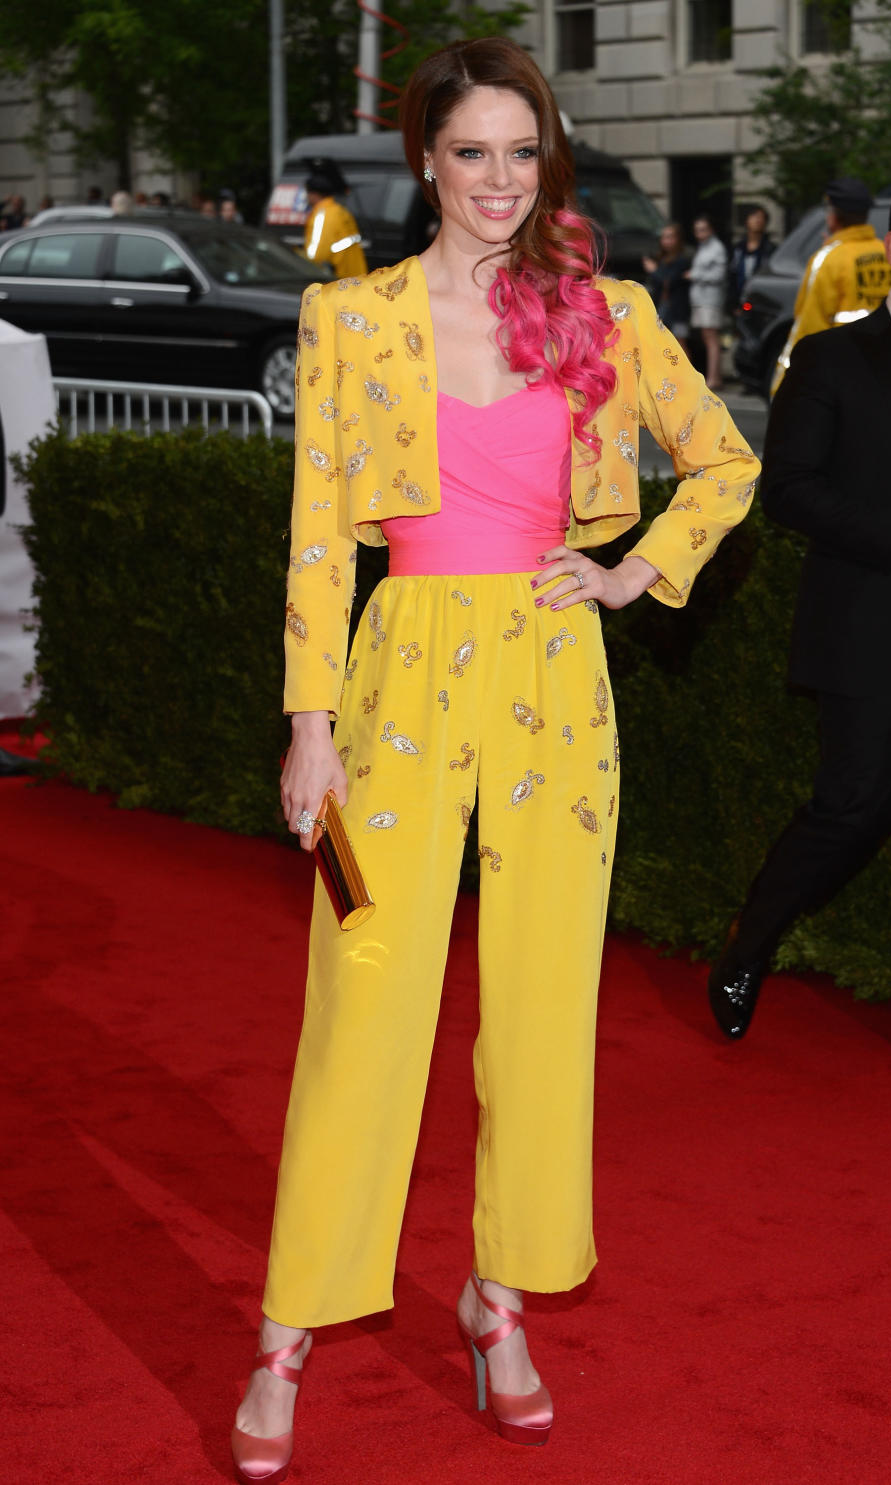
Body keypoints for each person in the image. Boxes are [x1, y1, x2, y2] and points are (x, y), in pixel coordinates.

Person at [230, 37, 759, 1483]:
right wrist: (310, 720)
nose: (498, 180)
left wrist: (631, 573)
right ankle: (287, 1329)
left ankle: (499, 1300)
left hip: (553, 686)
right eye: (472, 151)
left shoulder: (604, 313)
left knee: (538, 1006)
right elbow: (321, 535)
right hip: (395, 681)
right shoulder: (353, 321)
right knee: (366, 995)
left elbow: (726, 462)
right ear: (425, 161)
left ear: (547, 166)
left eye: (523, 154)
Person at [707, 170, 891, 1066]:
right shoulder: (831, 359)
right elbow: (788, 492)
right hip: (873, 624)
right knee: (851, 811)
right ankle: (749, 939)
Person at [770, 177, 891, 397]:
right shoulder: (888, 254)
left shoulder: (828, 260)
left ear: (833, 217)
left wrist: (781, 388)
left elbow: (807, 331)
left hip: (843, 379)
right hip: (887, 377)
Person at [301, 162, 367, 278]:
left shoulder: (322, 215)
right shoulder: (340, 211)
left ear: (314, 194)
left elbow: (315, 256)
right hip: (355, 278)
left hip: (338, 282)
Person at [687, 215, 728, 389]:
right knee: (708, 337)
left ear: (711, 230)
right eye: (697, 230)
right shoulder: (704, 248)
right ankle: (713, 376)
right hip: (702, 299)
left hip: (710, 299)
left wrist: (695, 275)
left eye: (703, 230)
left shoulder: (716, 248)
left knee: (711, 338)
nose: (699, 234)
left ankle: (714, 378)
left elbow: (719, 275)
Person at [642, 221, 691, 353]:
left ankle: (686, 373)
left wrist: (654, 271)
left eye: (670, 237)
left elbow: (668, 281)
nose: (666, 241)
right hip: (662, 307)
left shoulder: (682, 260)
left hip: (678, 309)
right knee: (663, 342)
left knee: (680, 343)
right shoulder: (662, 259)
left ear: (678, 239)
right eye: (664, 237)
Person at [728, 204, 775, 311]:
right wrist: (732, 304)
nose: (757, 220)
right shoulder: (738, 249)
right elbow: (732, 276)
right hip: (740, 301)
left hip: (761, 302)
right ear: (747, 221)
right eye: (754, 216)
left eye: (761, 217)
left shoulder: (770, 249)